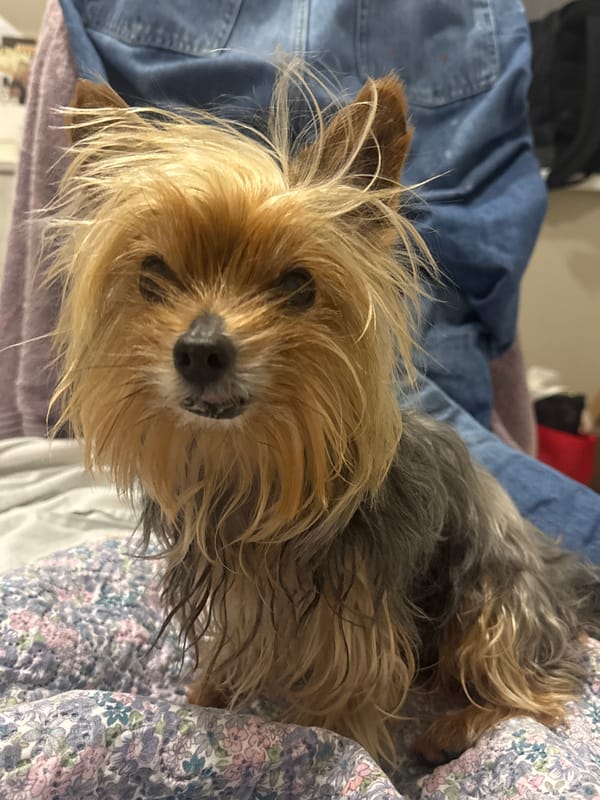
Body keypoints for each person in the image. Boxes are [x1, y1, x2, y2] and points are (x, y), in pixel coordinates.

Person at [1, 0, 599, 559]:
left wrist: (31, 414)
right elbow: (487, 282)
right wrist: (514, 434)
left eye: (290, 286)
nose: (207, 338)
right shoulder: (479, 12)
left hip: (396, 432)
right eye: (157, 277)